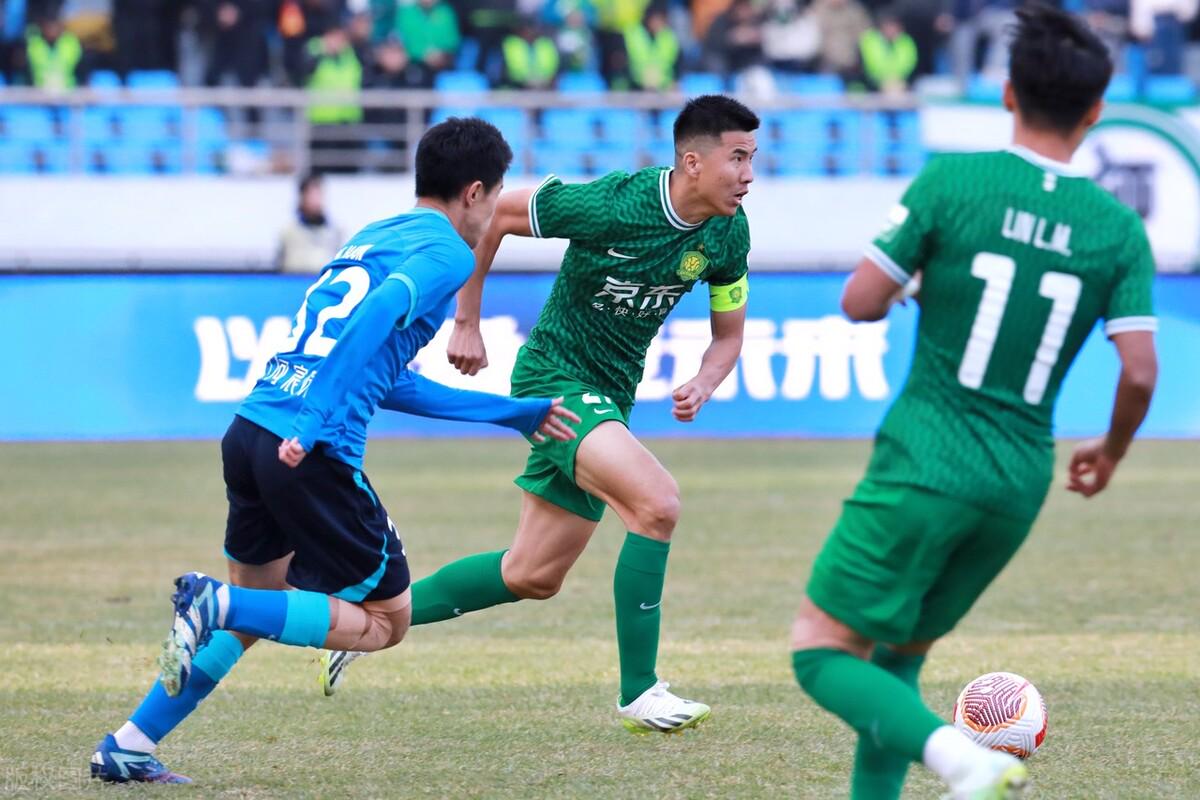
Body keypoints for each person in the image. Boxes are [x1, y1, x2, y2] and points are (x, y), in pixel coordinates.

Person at [88, 117, 581, 784]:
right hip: (309, 447)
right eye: (494, 198)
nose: (492, 213)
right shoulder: (448, 254)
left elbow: (386, 376)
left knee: (258, 608)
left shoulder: (373, 235)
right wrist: (317, 415)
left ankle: (130, 744)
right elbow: (378, 313)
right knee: (384, 622)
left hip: (252, 431)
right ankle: (213, 604)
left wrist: (509, 412)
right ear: (473, 192)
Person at [789, 6, 1158, 799]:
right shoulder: (1118, 229)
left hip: (928, 457)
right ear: (1096, 110)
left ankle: (964, 759)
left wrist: (924, 280)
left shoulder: (953, 183)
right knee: (898, 657)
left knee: (819, 650)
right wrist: (1111, 450)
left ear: (1007, 93)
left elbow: (860, 302)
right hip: (1018, 480)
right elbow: (1138, 373)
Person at [322, 95, 758, 734]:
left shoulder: (728, 233)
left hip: (610, 397)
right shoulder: (614, 203)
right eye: (738, 158)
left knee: (532, 574)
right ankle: (640, 691)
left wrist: (705, 381)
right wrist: (466, 319)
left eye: (753, 159)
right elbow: (497, 214)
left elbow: (728, 337)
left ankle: (365, 617)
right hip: (554, 378)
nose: (749, 175)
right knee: (657, 503)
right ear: (693, 162)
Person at [277, 172, 345, 273]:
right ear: (302, 197)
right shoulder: (289, 232)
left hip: (324, 279)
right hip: (295, 279)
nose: (316, 200)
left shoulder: (335, 231)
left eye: (319, 194)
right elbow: (281, 264)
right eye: (311, 194)